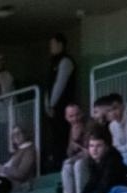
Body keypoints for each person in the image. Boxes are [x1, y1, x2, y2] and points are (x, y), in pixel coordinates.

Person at [46, 33, 77, 169]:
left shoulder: (66, 61)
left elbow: (60, 84)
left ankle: (63, 164)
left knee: (62, 135)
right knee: (54, 137)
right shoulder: (53, 62)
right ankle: (57, 163)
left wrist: (52, 104)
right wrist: (47, 105)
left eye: (53, 44)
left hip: (62, 106)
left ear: (60, 45)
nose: (50, 47)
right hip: (53, 107)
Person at [59, 103, 89, 193]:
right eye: (71, 116)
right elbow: (69, 153)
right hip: (78, 158)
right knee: (66, 165)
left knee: (78, 165)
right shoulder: (71, 129)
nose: (75, 118)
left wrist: (78, 149)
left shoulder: (89, 125)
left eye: (77, 115)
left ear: (82, 114)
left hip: (90, 161)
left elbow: (90, 151)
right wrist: (73, 145)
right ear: (66, 118)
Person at [0, 125, 37, 190]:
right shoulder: (18, 151)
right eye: (13, 135)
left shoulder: (29, 150)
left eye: (18, 133)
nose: (16, 136)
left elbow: (21, 174)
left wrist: (3, 169)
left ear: (25, 134)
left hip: (16, 187)